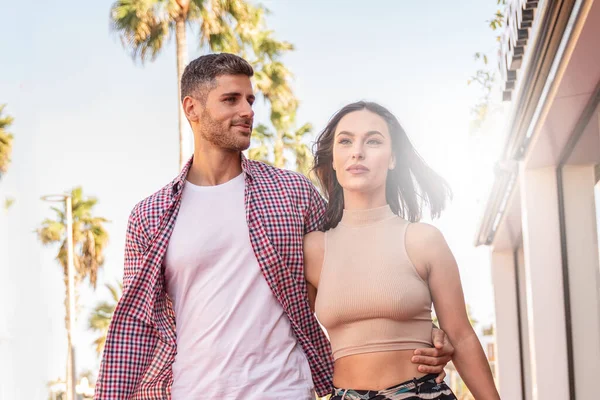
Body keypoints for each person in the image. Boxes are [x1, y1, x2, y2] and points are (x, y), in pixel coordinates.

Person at [95, 54, 455, 400]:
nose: (247, 111)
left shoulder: (293, 193)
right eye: (231, 99)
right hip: (191, 391)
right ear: (192, 109)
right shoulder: (150, 215)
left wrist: (424, 331)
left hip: (284, 390)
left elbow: (357, 263)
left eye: (250, 100)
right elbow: (142, 326)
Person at [304, 101, 501, 400]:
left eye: (373, 141)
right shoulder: (313, 249)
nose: (357, 151)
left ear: (393, 158)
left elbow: (461, 335)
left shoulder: (423, 240)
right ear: (333, 159)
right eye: (345, 141)